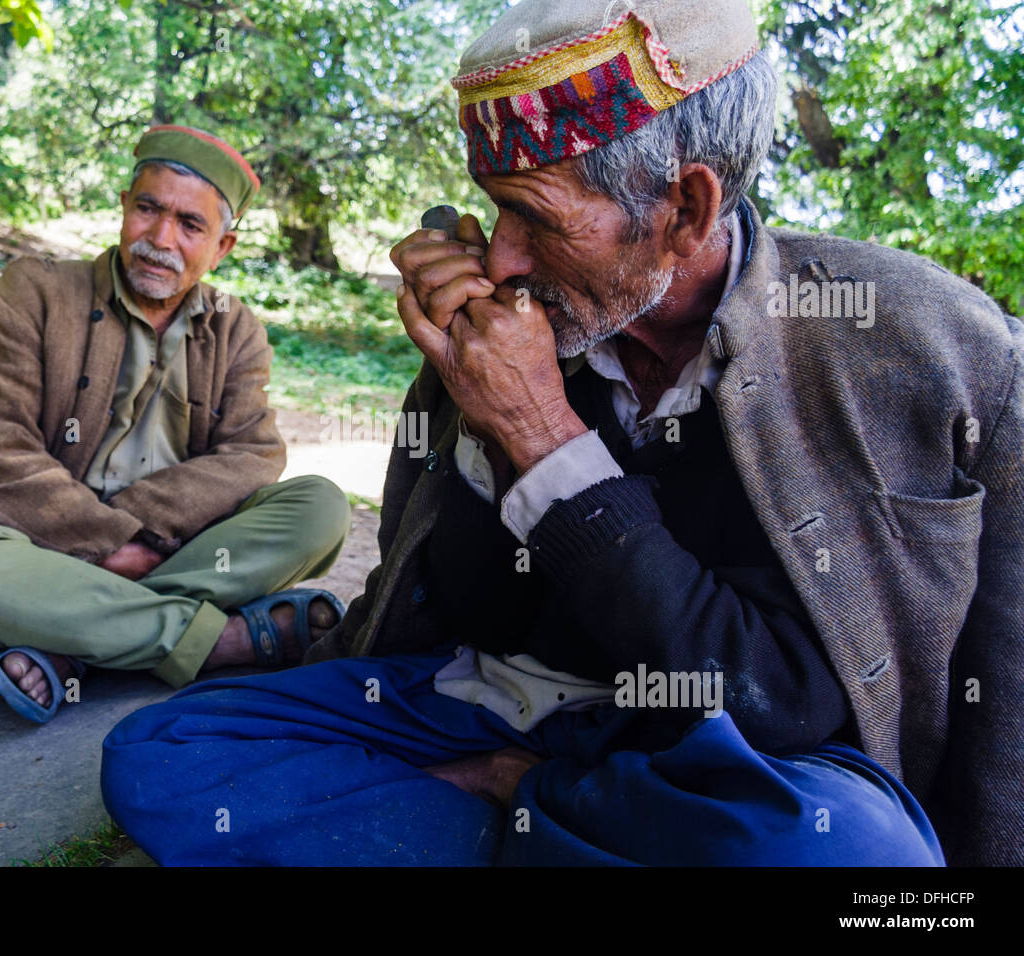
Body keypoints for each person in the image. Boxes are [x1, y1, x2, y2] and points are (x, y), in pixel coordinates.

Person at [100, 0, 1021, 866]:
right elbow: (463, 610)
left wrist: (545, 437)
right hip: (495, 703)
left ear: (686, 211)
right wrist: (481, 417)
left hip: (723, 766)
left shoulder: (910, 343)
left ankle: (516, 807)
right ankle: (541, 822)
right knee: (164, 749)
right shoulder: (525, 326)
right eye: (494, 207)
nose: (500, 257)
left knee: (852, 854)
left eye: (535, 218)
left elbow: (775, 703)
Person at [0, 125, 351, 721]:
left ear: (222, 247)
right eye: (148, 209)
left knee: (320, 508)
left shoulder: (235, 329)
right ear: (125, 207)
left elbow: (251, 456)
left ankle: (72, 648)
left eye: (190, 225)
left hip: (172, 547)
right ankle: (222, 642)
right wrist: (104, 540)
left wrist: (134, 539)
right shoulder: (37, 291)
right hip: (37, 545)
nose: (160, 239)